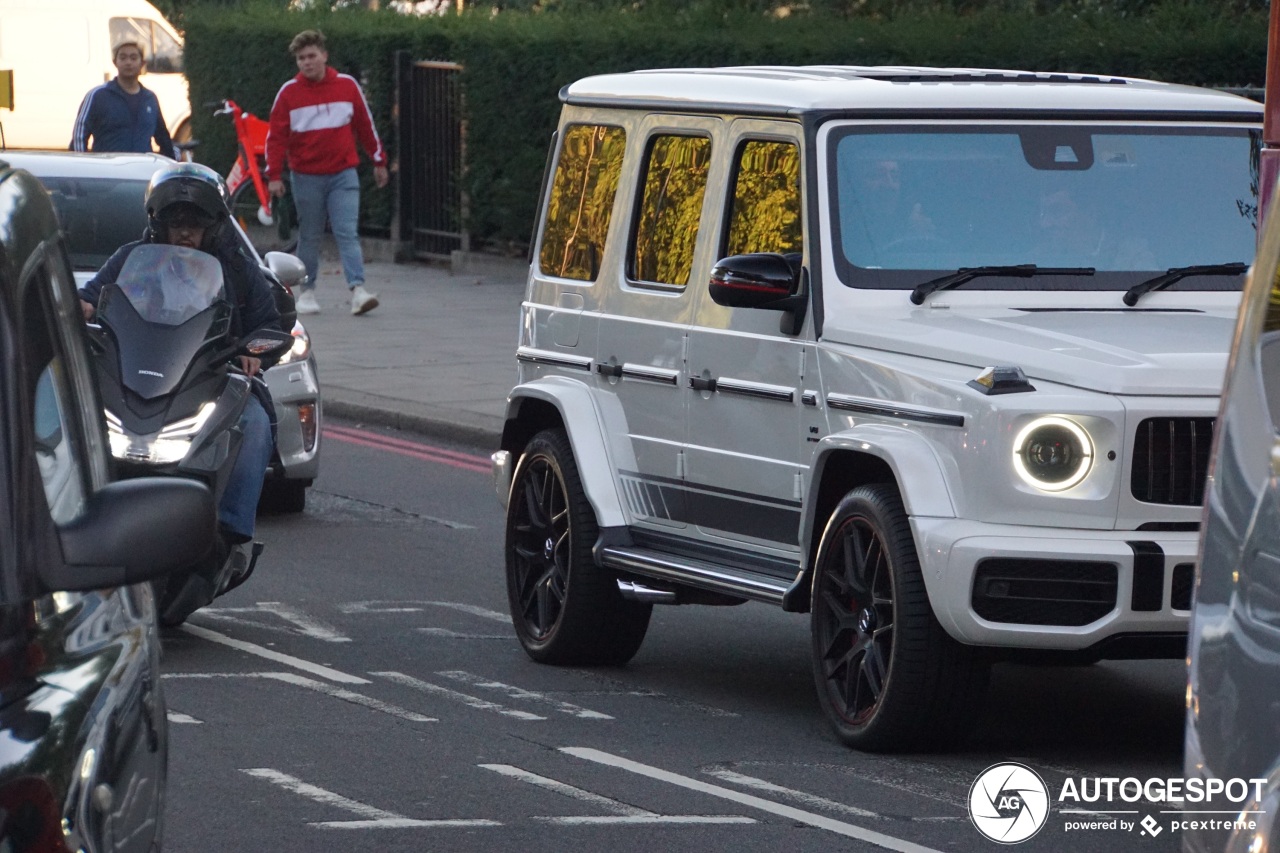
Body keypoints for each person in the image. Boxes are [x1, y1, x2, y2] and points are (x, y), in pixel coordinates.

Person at [79, 163, 280, 551]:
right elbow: (90, 297)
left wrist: (254, 353)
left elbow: (270, 323)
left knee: (254, 422)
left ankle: (229, 531)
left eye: (196, 221)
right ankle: (73, 507)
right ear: (159, 222)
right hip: (135, 373)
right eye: (176, 220)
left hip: (215, 375)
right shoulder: (132, 259)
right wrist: (81, 307)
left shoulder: (236, 267)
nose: (186, 230)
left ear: (215, 225)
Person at [265, 28, 389, 316]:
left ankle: (358, 289)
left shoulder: (347, 86)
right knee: (310, 233)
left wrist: (378, 160)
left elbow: (364, 125)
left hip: (343, 173)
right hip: (306, 175)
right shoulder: (288, 93)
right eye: (301, 58)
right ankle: (307, 291)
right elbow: (276, 138)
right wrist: (273, 176)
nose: (307, 62)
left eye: (311, 56)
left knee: (347, 231)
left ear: (324, 55)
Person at [71, 39, 177, 159]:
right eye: (123, 58)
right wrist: (81, 165)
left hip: (142, 170)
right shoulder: (97, 96)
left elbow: (163, 138)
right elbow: (79, 137)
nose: (128, 63)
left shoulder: (150, 99)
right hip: (107, 171)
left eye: (133, 58)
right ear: (115, 62)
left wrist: (174, 161)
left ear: (142, 63)